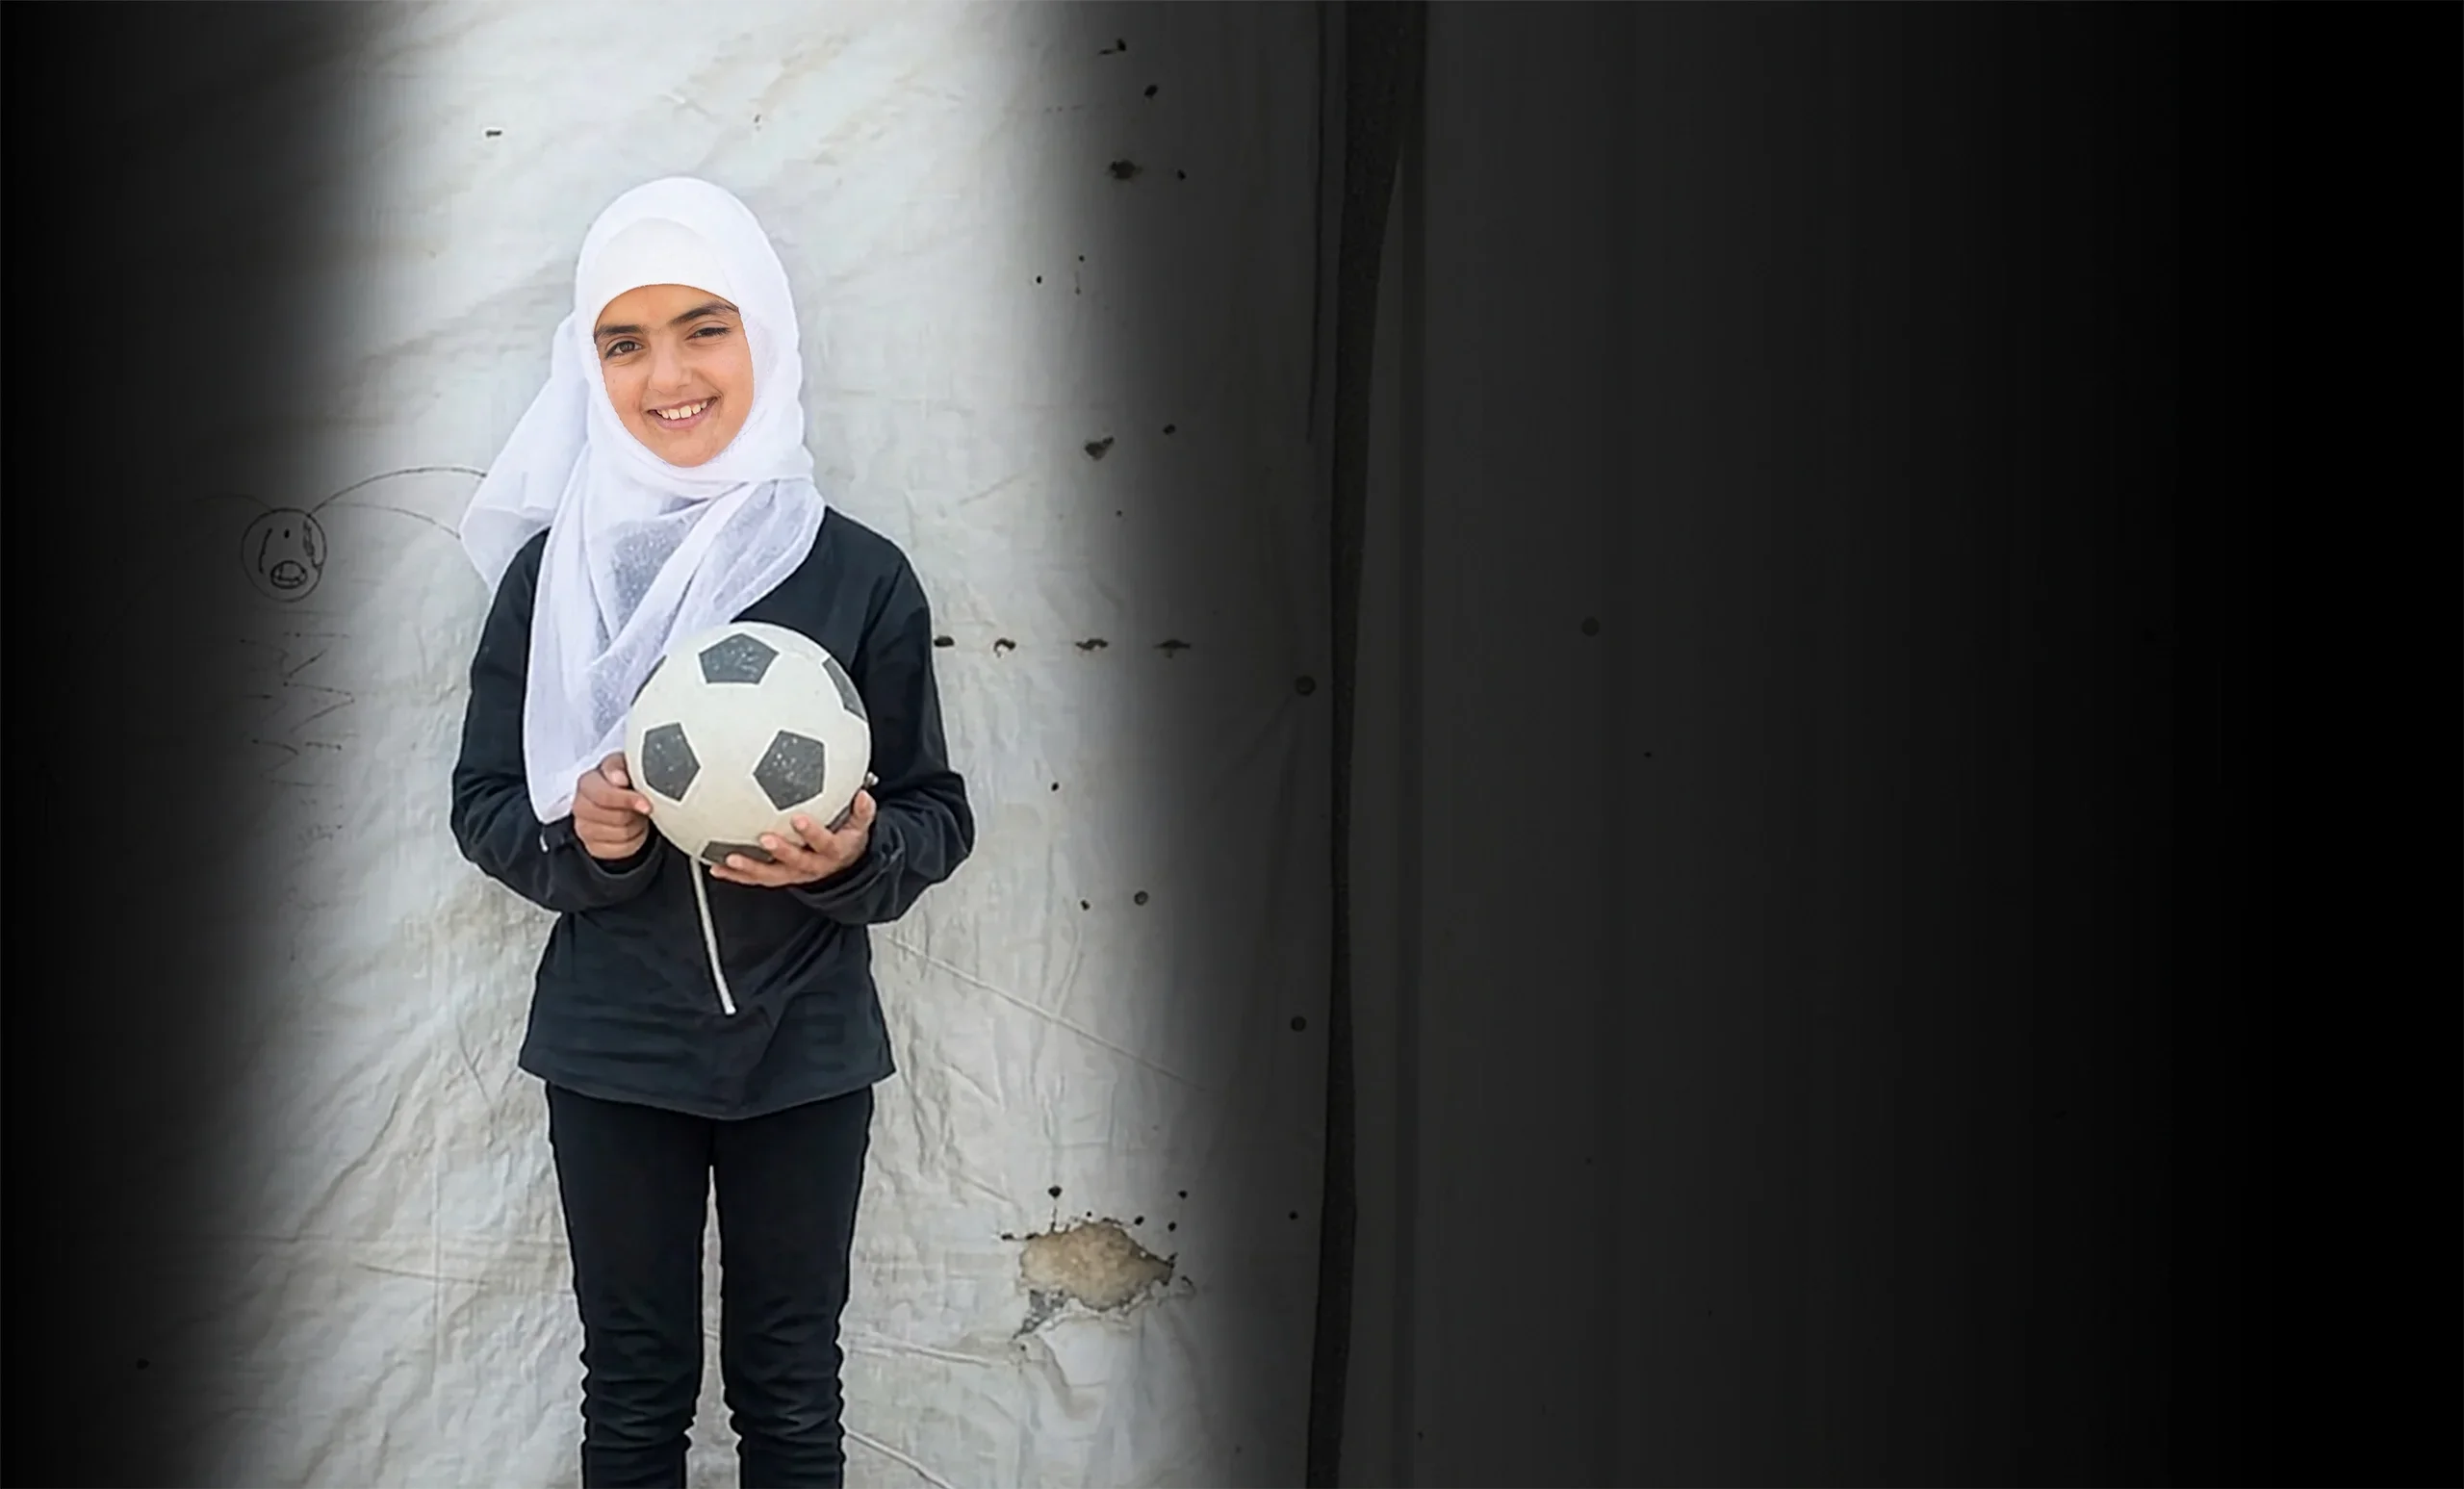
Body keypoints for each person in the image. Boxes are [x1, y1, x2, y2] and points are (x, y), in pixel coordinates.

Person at [450, 176, 974, 1489]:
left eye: (704, 327)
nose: (667, 373)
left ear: (769, 338)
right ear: (588, 365)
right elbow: (484, 806)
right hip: (613, 1046)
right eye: (623, 342)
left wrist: (859, 855)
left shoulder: (856, 573)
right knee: (633, 1393)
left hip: (805, 1048)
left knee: (791, 1393)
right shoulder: (554, 575)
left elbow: (935, 810)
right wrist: (595, 841)